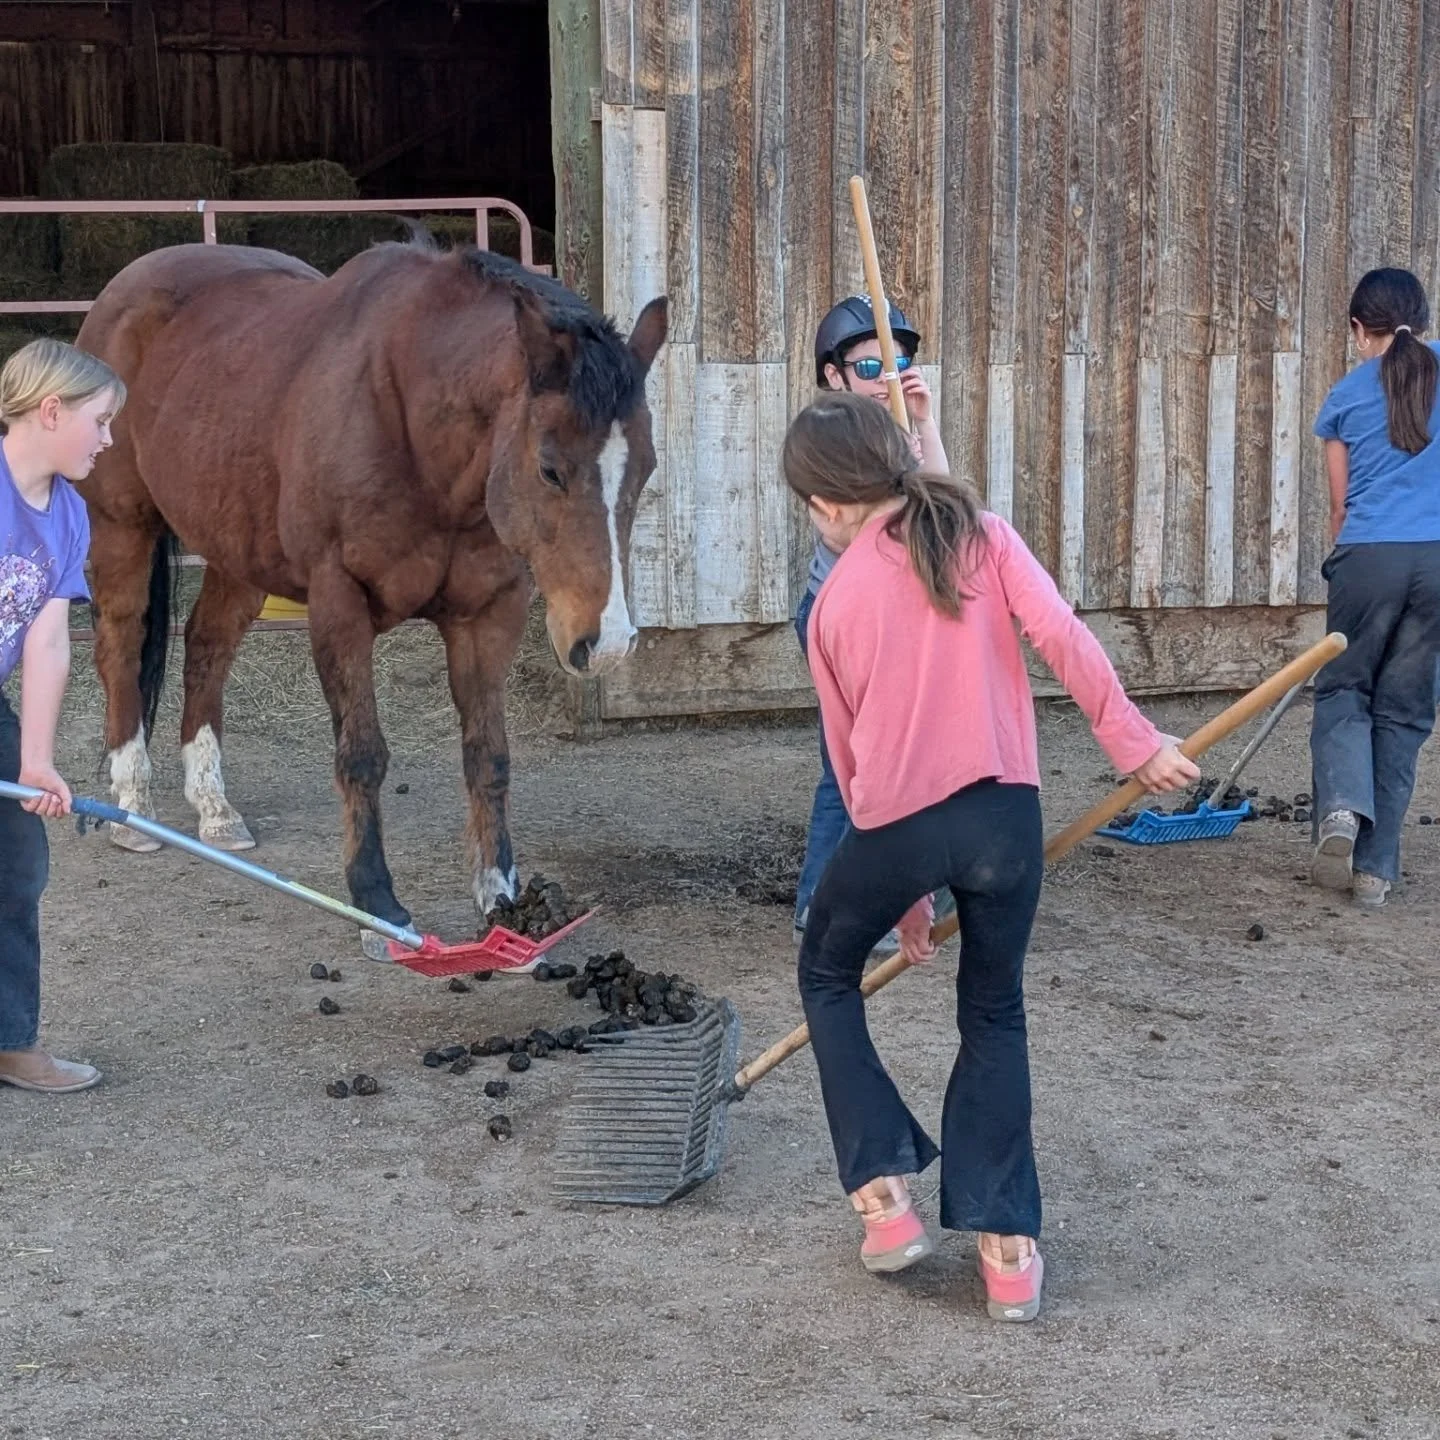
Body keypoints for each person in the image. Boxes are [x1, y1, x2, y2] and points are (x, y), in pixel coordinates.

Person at [783, 392, 1197, 1321]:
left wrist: (903, 897)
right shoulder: (983, 534)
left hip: (898, 830)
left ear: (826, 506)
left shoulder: (832, 602)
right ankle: (1009, 1253)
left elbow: (851, 771)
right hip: (1006, 820)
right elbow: (1065, 638)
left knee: (825, 973)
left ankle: (884, 1200)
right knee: (994, 1010)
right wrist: (1134, 744)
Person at [793, 296, 953, 947]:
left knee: (899, 755)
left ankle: (904, 890)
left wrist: (925, 422)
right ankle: (819, 905)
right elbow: (850, 536)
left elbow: (946, 509)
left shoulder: (893, 429)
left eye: (898, 359)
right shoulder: (831, 432)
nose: (887, 373)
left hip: (894, 620)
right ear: (833, 374)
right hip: (842, 620)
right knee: (853, 763)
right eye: (869, 364)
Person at [0, 338, 125, 1093]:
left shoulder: (70, 514)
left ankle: (11, 1040)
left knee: (17, 866)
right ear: (52, 410)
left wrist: (35, 758)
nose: (109, 441)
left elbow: (47, 641)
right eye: (102, 422)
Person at [1308, 267, 1440, 909]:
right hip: (1438, 563)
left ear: (1360, 330)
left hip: (1368, 559)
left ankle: (1338, 809)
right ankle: (1376, 871)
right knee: (1405, 710)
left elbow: (1340, 507)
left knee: (1343, 688)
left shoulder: (1345, 395)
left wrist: (1345, 564)